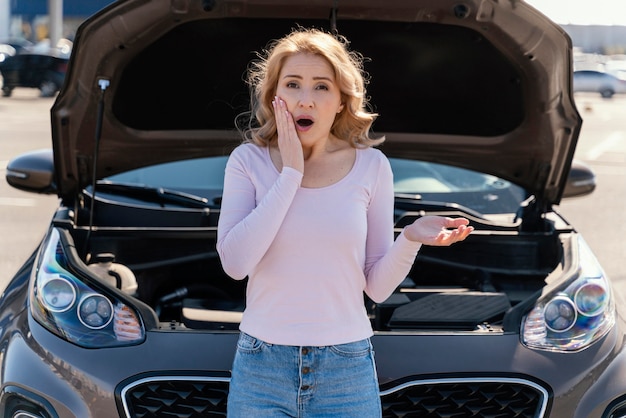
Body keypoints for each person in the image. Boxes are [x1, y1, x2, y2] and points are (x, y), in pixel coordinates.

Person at [217, 27, 473, 418]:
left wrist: (409, 239)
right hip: (261, 364)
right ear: (275, 96)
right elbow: (235, 265)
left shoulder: (372, 166)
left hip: (347, 367)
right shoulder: (246, 161)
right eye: (293, 84)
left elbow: (377, 287)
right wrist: (290, 175)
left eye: (322, 87)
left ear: (340, 101)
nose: (306, 99)